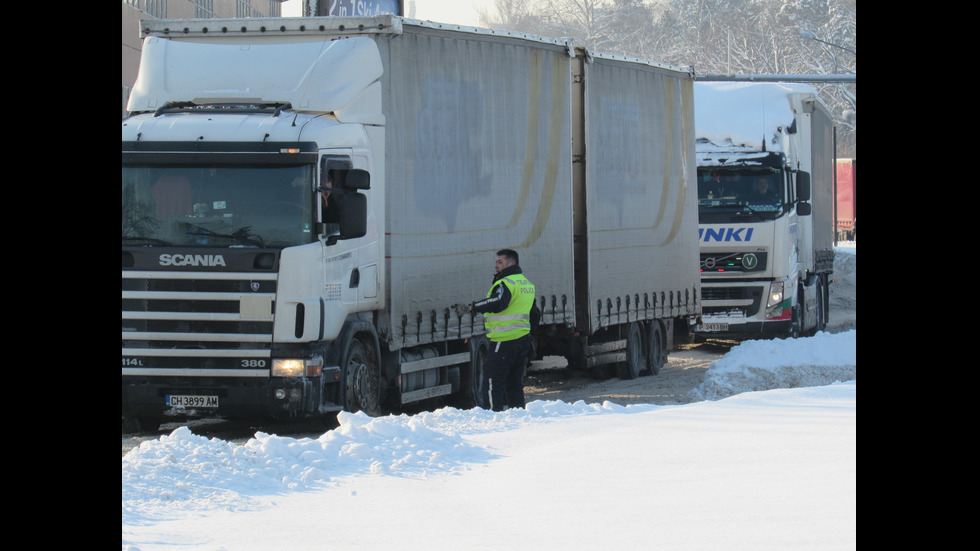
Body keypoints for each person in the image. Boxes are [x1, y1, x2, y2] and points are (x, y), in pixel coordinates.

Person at [455, 249, 539, 411]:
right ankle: (518, 414)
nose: (495, 266)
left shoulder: (505, 283)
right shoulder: (526, 284)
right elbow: (535, 314)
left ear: (511, 263)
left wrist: (473, 307)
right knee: (514, 383)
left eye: (500, 262)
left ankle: (494, 416)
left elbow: (498, 302)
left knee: (493, 381)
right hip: (521, 341)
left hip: (504, 340)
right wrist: (530, 336)